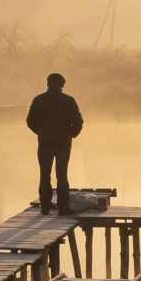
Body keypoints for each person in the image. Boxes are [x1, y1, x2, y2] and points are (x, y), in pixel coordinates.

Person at [25, 72, 84, 212]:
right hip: (63, 143)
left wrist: (40, 132)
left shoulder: (38, 100)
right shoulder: (69, 100)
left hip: (45, 142)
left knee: (44, 174)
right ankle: (63, 207)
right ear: (62, 85)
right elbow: (78, 121)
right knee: (62, 174)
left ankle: (45, 206)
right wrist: (71, 134)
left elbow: (30, 121)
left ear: (47, 83)